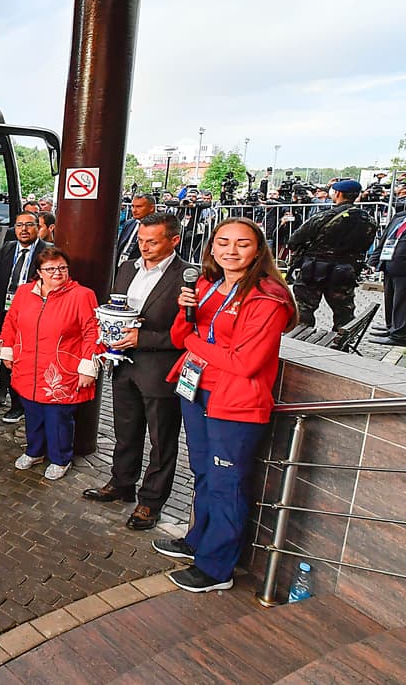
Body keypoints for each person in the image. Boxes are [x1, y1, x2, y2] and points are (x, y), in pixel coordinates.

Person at [155, 218, 296, 593]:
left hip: (235, 402)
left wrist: (194, 342)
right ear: (211, 247)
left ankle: (216, 569)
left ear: (258, 250)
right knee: (202, 470)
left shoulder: (268, 297)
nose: (230, 251)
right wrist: (185, 312)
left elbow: (244, 363)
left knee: (226, 482)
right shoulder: (206, 284)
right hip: (197, 389)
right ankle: (197, 540)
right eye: (223, 242)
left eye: (242, 244)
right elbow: (178, 335)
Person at [82, 213, 193, 530]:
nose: (144, 246)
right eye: (142, 240)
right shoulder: (127, 267)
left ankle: (150, 503)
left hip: (160, 370)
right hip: (124, 366)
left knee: (162, 441)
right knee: (125, 431)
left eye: (152, 241)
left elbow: (188, 331)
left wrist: (142, 338)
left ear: (174, 240)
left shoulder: (186, 276)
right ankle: (121, 483)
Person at [0, 247, 100, 481]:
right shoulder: (24, 292)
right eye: (51, 268)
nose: (57, 272)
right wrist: (8, 351)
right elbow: (11, 323)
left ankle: (60, 458)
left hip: (61, 369)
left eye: (62, 268)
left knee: (58, 417)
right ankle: (34, 451)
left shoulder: (82, 295)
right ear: (39, 272)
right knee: (32, 412)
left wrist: (88, 366)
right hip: (27, 366)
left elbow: (92, 332)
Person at [286, 179, 378, 329]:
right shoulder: (368, 220)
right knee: (344, 313)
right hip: (345, 271)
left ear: (338, 193)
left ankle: (299, 343)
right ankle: (341, 346)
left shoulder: (324, 217)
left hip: (315, 270)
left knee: (304, 311)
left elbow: (294, 240)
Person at [0, 212, 49, 423]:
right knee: (8, 353)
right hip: (7, 312)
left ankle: (23, 403)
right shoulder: (7, 248)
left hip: (35, 316)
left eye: (29, 225)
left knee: (28, 358)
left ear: (38, 227)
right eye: (19, 225)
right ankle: (10, 395)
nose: (23, 229)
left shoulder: (48, 253)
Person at [371, 204, 406, 345]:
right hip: (390, 263)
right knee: (390, 298)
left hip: (403, 267)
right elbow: (386, 238)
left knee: (402, 302)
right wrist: (375, 258)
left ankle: (400, 334)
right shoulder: (400, 217)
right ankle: (391, 326)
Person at [115, 194, 157, 267]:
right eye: (132, 206)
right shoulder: (129, 224)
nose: (134, 210)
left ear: (151, 208)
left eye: (139, 207)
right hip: (121, 268)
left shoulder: (160, 227)